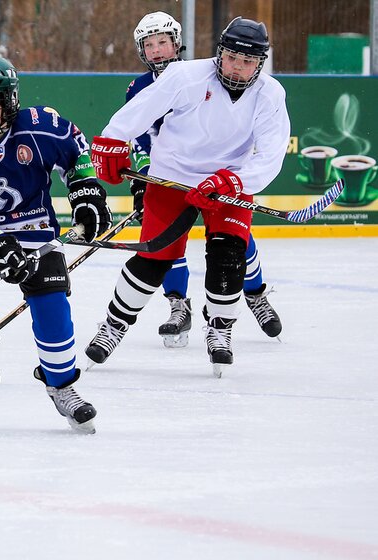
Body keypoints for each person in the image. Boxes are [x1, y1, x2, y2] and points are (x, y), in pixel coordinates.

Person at [86, 17, 290, 376]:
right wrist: (112, 141)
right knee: (154, 259)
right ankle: (114, 325)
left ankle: (220, 329)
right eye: (231, 58)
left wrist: (234, 181)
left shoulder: (270, 94)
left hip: (228, 183)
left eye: (247, 61)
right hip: (172, 177)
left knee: (229, 255)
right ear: (220, 53)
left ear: (260, 63)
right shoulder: (186, 76)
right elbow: (139, 110)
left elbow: (271, 156)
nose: (237, 67)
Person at [0, 57, 111, 433]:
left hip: (35, 228)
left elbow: (77, 153)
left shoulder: (42, 126)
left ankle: (62, 386)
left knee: (51, 304)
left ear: (9, 101)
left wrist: (87, 195)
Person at [128, 11, 283, 348]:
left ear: (177, 43)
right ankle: (178, 303)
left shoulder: (200, 76)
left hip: (216, 177)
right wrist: (143, 179)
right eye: (149, 45)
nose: (156, 50)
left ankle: (255, 293)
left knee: (234, 239)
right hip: (169, 176)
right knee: (167, 239)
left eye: (163, 42)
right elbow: (139, 135)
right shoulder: (139, 87)